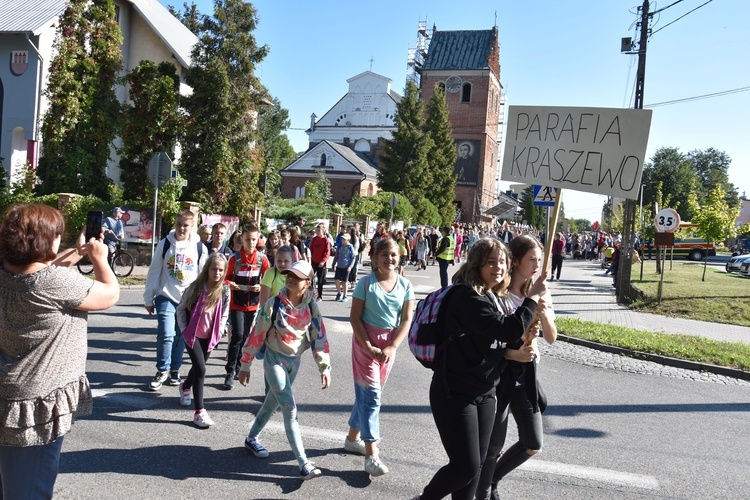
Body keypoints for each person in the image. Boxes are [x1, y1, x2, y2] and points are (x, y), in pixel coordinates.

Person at [0, 204, 119, 498]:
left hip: (8, 397)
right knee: (31, 489)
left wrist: (77, 252)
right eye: (56, 235)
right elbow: (110, 293)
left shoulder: (5, 270)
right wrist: (100, 259)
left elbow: (40, 269)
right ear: (43, 241)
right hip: (36, 406)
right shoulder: (56, 283)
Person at [413, 238, 546, 500]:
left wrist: (519, 347)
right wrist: (531, 299)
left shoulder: (491, 296)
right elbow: (507, 329)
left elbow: (494, 343)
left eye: (502, 262)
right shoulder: (468, 296)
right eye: (491, 262)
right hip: (455, 393)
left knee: (474, 469)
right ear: (477, 264)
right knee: (466, 466)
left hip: (485, 392)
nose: (498, 267)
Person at [476, 235, 557, 500]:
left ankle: (493, 478)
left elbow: (552, 336)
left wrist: (542, 312)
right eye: (532, 259)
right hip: (501, 376)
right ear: (517, 261)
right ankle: (483, 491)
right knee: (492, 446)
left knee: (533, 443)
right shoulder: (500, 292)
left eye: (539, 259)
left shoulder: (540, 291)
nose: (537, 265)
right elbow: (495, 338)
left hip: (526, 376)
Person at [238, 260, 331, 481]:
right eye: (289, 274)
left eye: (297, 277)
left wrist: (324, 367)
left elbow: (319, 338)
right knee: (289, 407)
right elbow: (257, 333)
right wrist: (246, 363)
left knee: (272, 403)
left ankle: (251, 438)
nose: (290, 278)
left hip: (294, 362)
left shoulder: (311, 307)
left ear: (308, 283)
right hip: (274, 361)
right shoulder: (273, 304)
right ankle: (303, 463)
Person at [345, 238, 414, 477]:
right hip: (365, 343)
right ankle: (371, 455)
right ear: (375, 258)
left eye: (394, 255)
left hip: (388, 347)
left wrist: (393, 346)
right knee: (372, 397)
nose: (390, 259)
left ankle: (352, 438)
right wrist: (367, 345)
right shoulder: (365, 284)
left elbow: (406, 320)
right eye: (384, 255)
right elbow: (355, 318)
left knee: (369, 394)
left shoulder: (405, 285)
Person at [144, 209, 208, 391]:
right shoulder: (165, 244)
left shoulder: (199, 247)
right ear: (174, 224)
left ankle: (174, 370)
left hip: (188, 300)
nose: (182, 228)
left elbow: (203, 276)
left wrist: (204, 301)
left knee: (181, 337)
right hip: (166, 296)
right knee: (166, 333)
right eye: (179, 224)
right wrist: (149, 297)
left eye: (186, 225)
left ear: (192, 226)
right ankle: (162, 370)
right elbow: (154, 271)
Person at [175, 253, 231, 428]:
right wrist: (184, 330)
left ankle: (185, 386)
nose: (217, 273)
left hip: (210, 335)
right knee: (201, 368)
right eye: (214, 269)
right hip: (193, 335)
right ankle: (199, 412)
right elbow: (181, 309)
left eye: (221, 270)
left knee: (198, 368)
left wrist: (221, 329)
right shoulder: (196, 288)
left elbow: (224, 313)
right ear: (207, 269)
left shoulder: (225, 290)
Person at [224, 221, 270, 390]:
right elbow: (225, 278)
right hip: (237, 303)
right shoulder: (234, 259)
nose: (251, 243)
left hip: (252, 304)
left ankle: (237, 367)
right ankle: (229, 372)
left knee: (244, 338)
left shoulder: (261, 259)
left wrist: (261, 286)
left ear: (257, 239)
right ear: (241, 239)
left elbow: (268, 278)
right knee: (237, 335)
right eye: (248, 240)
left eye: (253, 240)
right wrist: (230, 283)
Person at [309, 224, 331, 301]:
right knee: (310, 277)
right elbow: (310, 249)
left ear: (323, 231)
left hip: (321, 263)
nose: (317, 232)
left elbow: (327, 252)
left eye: (319, 231)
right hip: (314, 261)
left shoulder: (326, 240)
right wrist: (310, 257)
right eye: (316, 230)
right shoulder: (314, 239)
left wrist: (323, 261)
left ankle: (319, 296)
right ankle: (310, 294)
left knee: (320, 279)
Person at [333, 233, 356, 301]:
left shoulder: (350, 247)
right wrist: (333, 264)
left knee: (344, 281)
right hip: (339, 266)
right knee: (336, 280)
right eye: (342, 239)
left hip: (346, 267)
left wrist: (350, 267)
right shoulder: (340, 246)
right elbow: (336, 256)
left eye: (344, 239)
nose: (343, 240)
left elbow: (353, 258)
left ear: (348, 240)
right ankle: (339, 293)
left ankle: (345, 295)